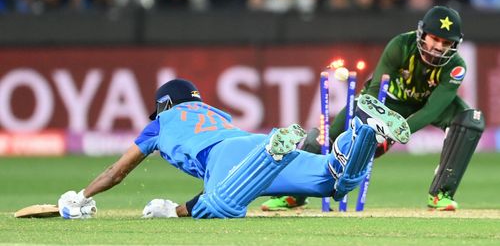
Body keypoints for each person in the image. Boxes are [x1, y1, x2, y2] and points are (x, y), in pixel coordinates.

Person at [57, 78, 410, 219]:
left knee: (220, 206)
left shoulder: (160, 123)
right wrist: (172, 209)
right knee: (334, 182)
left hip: (228, 157)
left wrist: (82, 196)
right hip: (250, 142)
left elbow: (117, 171)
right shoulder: (214, 110)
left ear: (165, 104)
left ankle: (272, 152)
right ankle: (363, 132)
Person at [262, 5, 485, 212]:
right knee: (327, 135)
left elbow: (432, 110)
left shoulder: (456, 66)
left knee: (471, 120)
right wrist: (371, 125)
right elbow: (374, 89)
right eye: (435, 38)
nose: (438, 47)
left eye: (446, 43)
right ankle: (294, 194)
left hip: (424, 107)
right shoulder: (401, 46)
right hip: (386, 103)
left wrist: (392, 134)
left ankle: (441, 194)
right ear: (422, 34)